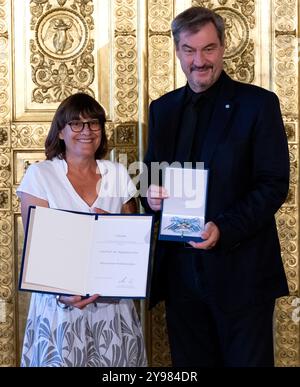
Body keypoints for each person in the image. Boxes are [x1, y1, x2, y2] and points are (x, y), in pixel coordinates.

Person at [140, 6, 290, 367]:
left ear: (223, 47)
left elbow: (273, 184)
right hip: (180, 278)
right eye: (189, 50)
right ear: (177, 51)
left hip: (242, 275)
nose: (199, 61)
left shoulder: (258, 104)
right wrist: (152, 196)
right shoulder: (163, 109)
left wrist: (224, 228)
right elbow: (152, 176)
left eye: (208, 49)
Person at [17, 92, 147, 367]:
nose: (86, 131)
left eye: (93, 123)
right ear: (61, 132)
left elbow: (133, 241)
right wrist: (62, 292)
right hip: (60, 304)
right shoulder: (40, 175)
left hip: (111, 307)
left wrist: (112, 228)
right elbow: (37, 247)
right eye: (76, 124)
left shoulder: (117, 174)